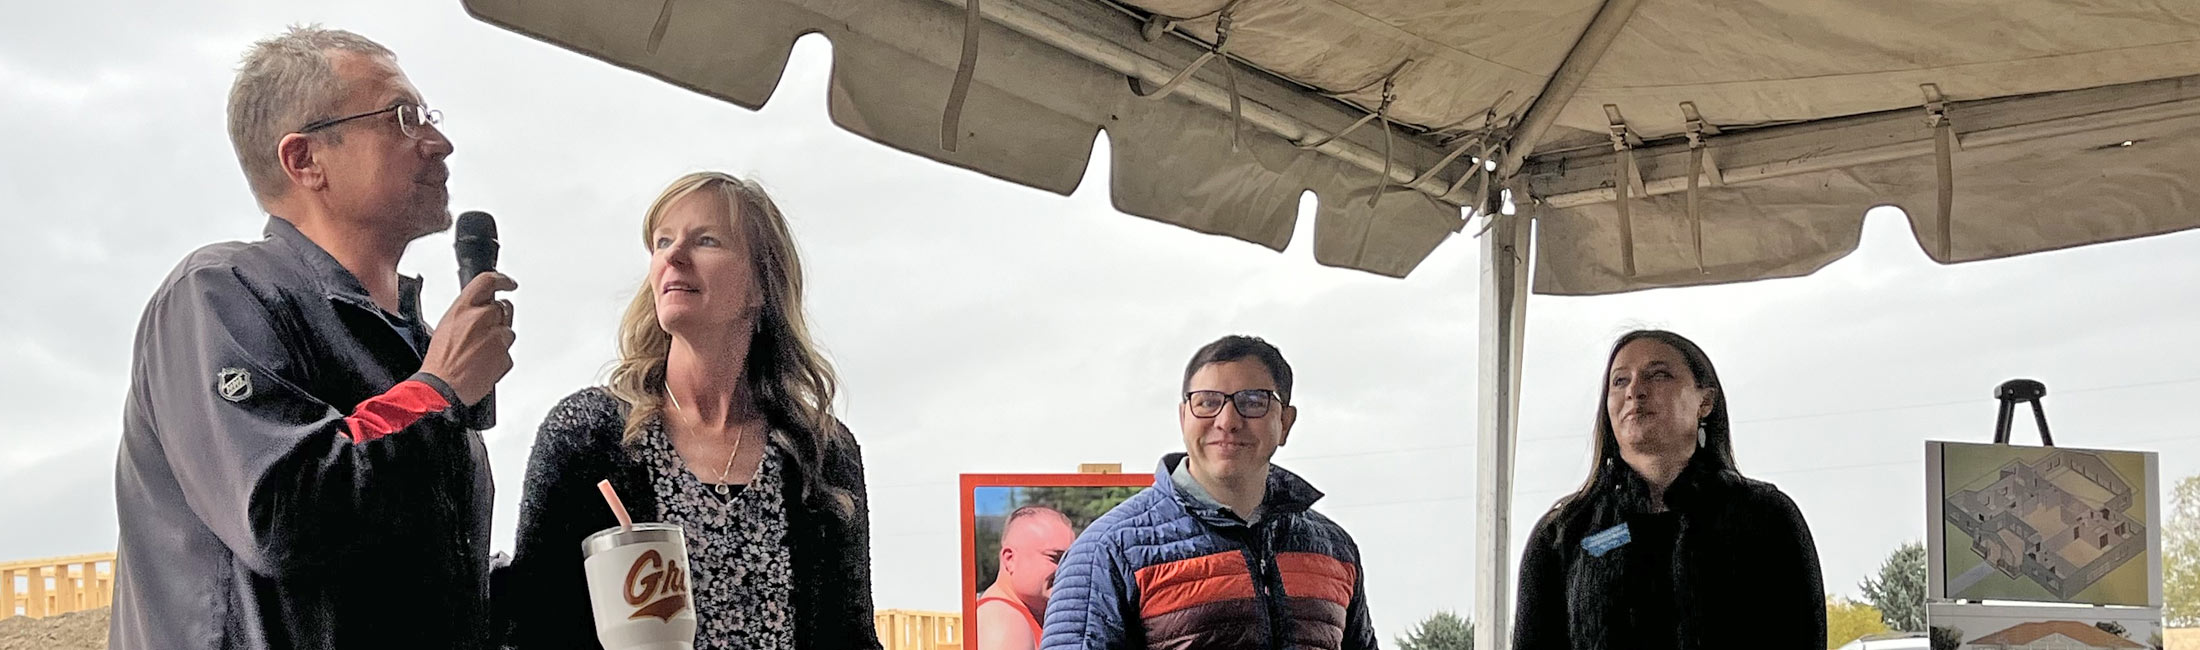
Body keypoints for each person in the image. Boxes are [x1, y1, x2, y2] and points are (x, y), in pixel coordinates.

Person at [109, 25, 515, 649]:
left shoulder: (416, 347)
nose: (439, 142)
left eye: (429, 118)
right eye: (403, 117)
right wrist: (436, 391)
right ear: (304, 160)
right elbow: (279, 512)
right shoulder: (221, 293)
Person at [503, 172, 879, 650]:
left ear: (761, 285)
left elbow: (851, 639)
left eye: (705, 240)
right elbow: (534, 627)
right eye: (663, 242)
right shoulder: (586, 435)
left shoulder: (823, 451)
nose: (673, 256)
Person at [1041, 335, 1379, 650]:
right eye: (1207, 402)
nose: (1228, 420)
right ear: (1183, 416)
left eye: (1253, 401)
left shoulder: (1334, 550)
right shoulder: (1110, 550)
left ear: (1285, 423)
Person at [1512, 329, 1825, 650]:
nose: (1635, 390)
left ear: (1705, 402)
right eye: (1620, 381)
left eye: (1658, 375)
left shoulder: (1765, 516)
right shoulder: (1563, 534)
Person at [978, 506, 1076, 650]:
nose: (1065, 569)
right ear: (1010, 559)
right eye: (1055, 558)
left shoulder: (1023, 615)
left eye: (1070, 560)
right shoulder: (1004, 620)